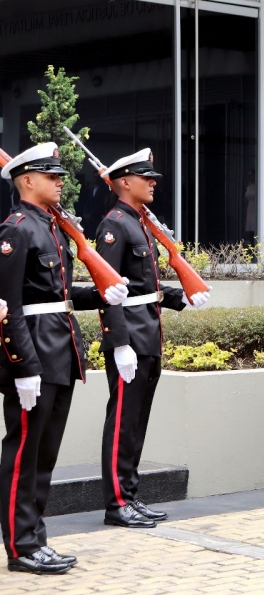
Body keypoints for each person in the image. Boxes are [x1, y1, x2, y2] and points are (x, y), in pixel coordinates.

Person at [0, 143, 129, 574]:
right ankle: (20, 547)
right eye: (51, 176)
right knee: (24, 453)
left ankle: (36, 538)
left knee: (45, 454)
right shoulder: (17, 230)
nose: (61, 182)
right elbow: (9, 304)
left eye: (60, 175)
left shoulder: (52, 227)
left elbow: (58, 294)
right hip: (34, 352)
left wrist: (99, 293)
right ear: (27, 181)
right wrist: (22, 366)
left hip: (60, 350)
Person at [94, 149, 210, 529]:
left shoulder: (140, 222)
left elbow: (147, 287)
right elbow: (107, 288)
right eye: (146, 178)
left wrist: (181, 297)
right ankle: (116, 503)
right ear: (124, 182)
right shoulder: (114, 225)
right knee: (123, 422)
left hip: (149, 331)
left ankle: (130, 494)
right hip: (130, 336)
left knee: (137, 421)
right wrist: (119, 342)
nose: (154, 182)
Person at [244, 169, 257, 242]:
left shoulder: (257, 185)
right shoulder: (249, 185)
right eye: (249, 176)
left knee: (255, 227)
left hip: (256, 208)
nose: (250, 177)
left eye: (251, 175)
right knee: (250, 228)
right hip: (250, 208)